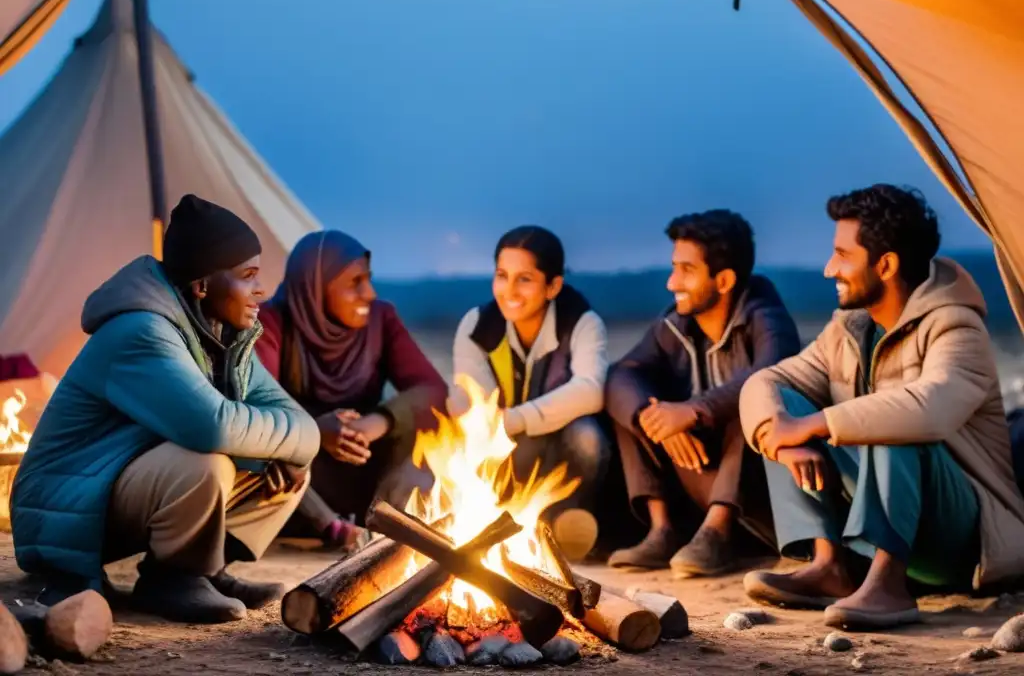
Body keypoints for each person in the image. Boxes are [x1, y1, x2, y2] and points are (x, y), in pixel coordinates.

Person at [11, 195, 321, 624]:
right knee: (206, 463)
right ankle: (174, 577)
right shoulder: (141, 331)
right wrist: (289, 440)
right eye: (247, 276)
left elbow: (295, 420)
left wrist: (293, 447)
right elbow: (212, 428)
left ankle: (207, 571)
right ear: (202, 286)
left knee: (290, 466)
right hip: (59, 508)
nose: (260, 290)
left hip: (112, 491)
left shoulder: (223, 335)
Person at [739, 184, 1024, 630]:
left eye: (842, 255)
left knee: (890, 420)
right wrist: (781, 437)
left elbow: (930, 409)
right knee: (784, 405)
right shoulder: (849, 331)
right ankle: (829, 566)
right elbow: (766, 381)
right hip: (888, 518)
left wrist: (813, 424)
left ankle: (889, 586)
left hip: (963, 539)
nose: (829, 268)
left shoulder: (957, 327)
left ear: (886, 264)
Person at [605, 210, 800, 575]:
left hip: (756, 495)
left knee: (757, 400)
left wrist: (695, 410)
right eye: (673, 267)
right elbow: (622, 374)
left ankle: (717, 534)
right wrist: (657, 421)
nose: (671, 282)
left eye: (686, 270)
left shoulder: (766, 319)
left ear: (724, 279)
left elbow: (775, 371)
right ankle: (662, 530)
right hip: (698, 474)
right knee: (637, 402)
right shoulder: (674, 324)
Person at [256, 230, 448, 546]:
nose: (369, 293)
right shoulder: (272, 323)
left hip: (364, 464)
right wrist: (315, 433)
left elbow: (432, 390)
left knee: (428, 426)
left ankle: (392, 524)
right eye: (354, 283)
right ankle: (331, 529)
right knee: (260, 441)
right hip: (299, 482)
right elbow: (259, 408)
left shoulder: (380, 320)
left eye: (368, 280)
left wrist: (379, 421)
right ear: (315, 289)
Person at [452, 226, 610, 560]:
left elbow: (590, 390)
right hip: (509, 448)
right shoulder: (477, 326)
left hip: (562, 443)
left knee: (588, 439)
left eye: (524, 279)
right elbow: (476, 406)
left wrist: (517, 418)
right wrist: (499, 424)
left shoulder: (581, 322)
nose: (509, 290)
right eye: (501, 275)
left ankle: (568, 520)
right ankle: (511, 525)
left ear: (552, 285)